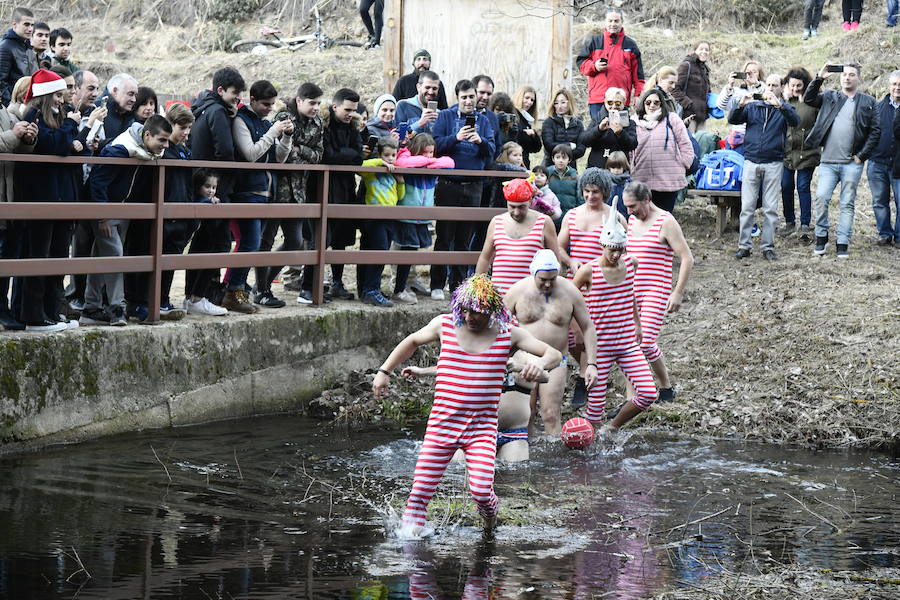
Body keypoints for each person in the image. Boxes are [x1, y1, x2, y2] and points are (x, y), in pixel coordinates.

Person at [371, 274, 562, 538]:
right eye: (466, 310)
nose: (470, 317)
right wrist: (384, 371)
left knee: (482, 492)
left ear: (492, 311)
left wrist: (538, 364)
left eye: (478, 312)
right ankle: (411, 545)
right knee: (420, 491)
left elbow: (554, 354)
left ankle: (490, 521)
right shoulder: (445, 324)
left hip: (481, 429)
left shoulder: (508, 333)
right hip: (442, 426)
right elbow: (412, 341)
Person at [573, 208, 656, 435]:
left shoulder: (631, 263)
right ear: (602, 245)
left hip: (627, 342)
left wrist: (638, 323)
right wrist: (577, 331)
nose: (616, 255)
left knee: (648, 393)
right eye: (612, 250)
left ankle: (612, 428)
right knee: (595, 410)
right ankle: (588, 443)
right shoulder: (589, 270)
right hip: (599, 345)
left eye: (620, 249)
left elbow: (630, 294)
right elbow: (569, 298)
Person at [83, 115, 171, 326]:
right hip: (107, 210)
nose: (166, 146)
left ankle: (91, 307)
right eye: (162, 140)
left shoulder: (141, 148)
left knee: (102, 255)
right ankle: (116, 307)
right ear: (147, 135)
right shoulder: (120, 149)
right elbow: (98, 182)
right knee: (115, 254)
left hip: (120, 209)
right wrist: (102, 216)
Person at [504, 249, 598, 438]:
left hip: (556, 360)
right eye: (543, 279)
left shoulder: (570, 291)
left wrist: (591, 364)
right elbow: (498, 326)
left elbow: (588, 326)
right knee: (526, 413)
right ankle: (525, 450)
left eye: (552, 279)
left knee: (550, 414)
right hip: (524, 359)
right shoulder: (517, 290)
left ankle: (555, 454)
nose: (548, 284)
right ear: (534, 273)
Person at [15, 69, 79, 332]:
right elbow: (54, 144)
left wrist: (77, 142)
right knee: (39, 256)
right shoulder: (33, 116)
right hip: (41, 196)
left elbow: (70, 145)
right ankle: (34, 316)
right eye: (58, 95)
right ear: (46, 95)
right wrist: (72, 128)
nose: (62, 100)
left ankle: (53, 311)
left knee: (59, 257)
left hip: (62, 196)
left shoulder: (59, 117)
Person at [224, 79, 293, 314]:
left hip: (265, 192)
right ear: (252, 100)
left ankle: (236, 289)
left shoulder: (264, 123)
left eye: (272, 104)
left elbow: (278, 159)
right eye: (265, 104)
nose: (269, 109)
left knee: (252, 244)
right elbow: (251, 154)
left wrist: (286, 136)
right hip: (246, 192)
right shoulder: (241, 120)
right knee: (250, 243)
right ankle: (234, 291)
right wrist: (273, 131)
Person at [557, 167, 625, 403]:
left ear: (604, 191)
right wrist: (570, 261)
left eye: (595, 191)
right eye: (586, 191)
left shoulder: (615, 217)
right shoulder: (572, 215)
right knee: (571, 335)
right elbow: (559, 247)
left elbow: (625, 251)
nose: (590, 196)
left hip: (600, 285)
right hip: (574, 281)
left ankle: (584, 379)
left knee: (592, 331)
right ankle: (587, 369)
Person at [623, 181, 694, 403]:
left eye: (633, 206)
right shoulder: (631, 220)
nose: (629, 211)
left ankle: (648, 392)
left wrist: (678, 292)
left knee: (642, 343)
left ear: (647, 199)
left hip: (656, 288)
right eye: (627, 206)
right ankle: (647, 393)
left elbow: (687, 258)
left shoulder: (666, 221)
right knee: (631, 343)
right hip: (632, 289)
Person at [184, 66, 246, 316]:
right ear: (220, 90)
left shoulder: (202, 108)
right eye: (234, 93)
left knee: (203, 241)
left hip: (202, 183)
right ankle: (199, 297)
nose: (238, 98)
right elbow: (225, 152)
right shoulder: (218, 112)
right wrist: (229, 180)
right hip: (216, 187)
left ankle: (193, 296)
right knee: (216, 243)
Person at [804, 62, 880, 258]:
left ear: (859, 78)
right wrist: (819, 78)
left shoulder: (869, 102)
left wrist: (861, 156)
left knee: (847, 203)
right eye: (844, 74)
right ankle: (821, 237)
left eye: (852, 74)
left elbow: (875, 132)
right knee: (821, 198)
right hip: (828, 162)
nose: (847, 77)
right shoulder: (830, 97)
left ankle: (842, 243)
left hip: (851, 164)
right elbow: (808, 99)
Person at [429, 78, 495, 299]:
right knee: (444, 236)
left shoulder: (484, 120)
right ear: (457, 98)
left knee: (464, 239)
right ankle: (437, 284)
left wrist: (480, 141)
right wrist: (456, 138)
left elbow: (492, 151)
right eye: (464, 97)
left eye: (471, 97)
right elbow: (435, 146)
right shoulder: (446, 116)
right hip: (449, 184)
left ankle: (457, 285)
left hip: (474, 185)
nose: (468, 101)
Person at [261, 82, 324, 306]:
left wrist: (299, 150)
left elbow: (318, 155)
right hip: (276, 189)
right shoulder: (284, 117)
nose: (316, 108)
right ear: (299, 100)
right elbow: (281, 155)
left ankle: (264, 283)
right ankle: (261, 289)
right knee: (266, 240)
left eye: (318, 103)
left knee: (295, 241)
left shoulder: (318, 122)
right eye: (312, 103)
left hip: (299, 191)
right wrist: (301, 154)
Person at [730, 74, 799, 261]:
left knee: (770, 208)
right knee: (747, 206)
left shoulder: (784, 108)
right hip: (751, 161)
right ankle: (744, 246)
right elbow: (733, 119)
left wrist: (780, 105)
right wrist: (740, 105)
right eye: (768, 84)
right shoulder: (753, 106)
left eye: (774, 85)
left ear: (781, 88)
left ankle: (768, 247)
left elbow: (795, 121)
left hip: (773, 162)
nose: (770, 87)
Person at [393, 133, 454, 303]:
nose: (428, 156)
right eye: (424, 152)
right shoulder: (408, 159)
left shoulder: (430, 165)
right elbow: (402, 162)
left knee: (413, 251)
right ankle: (399, 289)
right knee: (407, 251)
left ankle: (408, 284)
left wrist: (428, 162)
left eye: (431, 152)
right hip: (408, 215)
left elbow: (449, 162)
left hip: (422, 216)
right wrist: (428, 162)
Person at [475, 178, 561, 295]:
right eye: (512, 206)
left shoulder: (544, 222)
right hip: (500, 296)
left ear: (530, 201)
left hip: (532, 296)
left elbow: (556, 259)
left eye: (521, 207)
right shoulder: (496, 222)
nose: (516, 212)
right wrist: (478, 289)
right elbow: (485, 258)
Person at [319, 87, 364, 300]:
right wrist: (349, 154)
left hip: (346, 188)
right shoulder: (324, 125)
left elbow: (359, 158)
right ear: (335, 106)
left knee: (342, 238)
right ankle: (315, 282)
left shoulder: (353, 127)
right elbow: (327, 155)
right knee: (322, 238)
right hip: (325, 188)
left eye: (354, 110)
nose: (351, 114)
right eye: (347, 110)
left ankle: (337, 282)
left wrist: (344, 155)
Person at [0, 80, 37, 331]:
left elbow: (16, 148)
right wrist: (14, 134)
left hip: (8, 195)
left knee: (6, 259)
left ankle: (3, 309)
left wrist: (28, 138)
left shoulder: (3, 109)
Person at [157, 102, 196, 321]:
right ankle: (156, 300)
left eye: (188, 128)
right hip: (165, 215)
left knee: (171, 261)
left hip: (181, 215)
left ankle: (164, 298)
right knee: (159, 260)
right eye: (182, 128)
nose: (186, 133)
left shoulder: (184, 151)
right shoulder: (163, 151)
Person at [630, 88, 694, 213]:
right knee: (643, 217)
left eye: (656, 102)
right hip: (641, 178)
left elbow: (685, 144)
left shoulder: (672, 119)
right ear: (643, 104)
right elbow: (630, 149)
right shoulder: (634, 122)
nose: (652, 105)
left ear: (661, 104)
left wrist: (684, 163)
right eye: (648, 102)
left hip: (668, 179)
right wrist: (631, 167)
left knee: (663, 218)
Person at [575, 9, 645, 121]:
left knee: (620, 129)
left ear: (622, 22)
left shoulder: (630, 45)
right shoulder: (594, 41)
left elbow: (638, 76)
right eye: (610, 21)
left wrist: (638, 94)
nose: (613, 24)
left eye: (616, 21)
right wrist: (594, 66)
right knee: (598, 129)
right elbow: (581, 63)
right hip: (598, 99)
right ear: (605, 22)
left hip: (621, 100)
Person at [358, 136, 404, 306]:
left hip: (389, 217)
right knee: (378, 251)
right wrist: (380, 162)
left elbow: (400, 197)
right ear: (379, 155)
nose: (390, 159)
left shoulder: (393, 175)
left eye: (393, 155)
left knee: (381, 252)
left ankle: (370, 288)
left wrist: (400, 182)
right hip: (374, 217)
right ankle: (370, 289)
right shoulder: (372, 171)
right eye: (386, 155)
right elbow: (361, 166)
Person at [782, 67, 820, 241]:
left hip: (807, 152)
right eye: (792, 85)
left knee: (803, 186)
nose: (795, 89)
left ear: (805, 85)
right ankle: (789, 222)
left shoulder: (813, 101)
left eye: (799, 85)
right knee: (786, 186)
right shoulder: (784, 101)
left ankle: (805, 223)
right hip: (787, 152)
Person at [867, 70, 900, 246]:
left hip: (899, 165)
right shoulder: (877, 108)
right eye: (894, 84)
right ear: (889, 86)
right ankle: (885, 233)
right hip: (877, 163)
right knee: (879, 201)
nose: (897, 88)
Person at [579, 86, 637, 169]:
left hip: (619, 169)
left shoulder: (629, 122)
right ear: (605, 102)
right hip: (597, 167)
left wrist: (621, 133)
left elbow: (632, 145)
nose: (613, 106)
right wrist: (598, 130)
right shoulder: (597, 119)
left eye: (618, 103)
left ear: (624, 103)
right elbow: (584, 141)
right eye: (610, 102)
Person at [0, 7, 38, 105]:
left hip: (30, 103)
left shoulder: (29, 47)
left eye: (32, 25)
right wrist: (11, 104)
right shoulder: (5, 47)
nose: (30, 29)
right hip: (15, 105)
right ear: (14, 24)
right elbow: (1, 82)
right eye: (26, 24)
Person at [541, 88, 585, 166]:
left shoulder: (578, 124)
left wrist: (566, 157)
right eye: (556, 103)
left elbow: (581, 149)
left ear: (570, 103)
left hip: (571, 168)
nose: (559, 106)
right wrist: (570, 145)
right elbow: (549, 145)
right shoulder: (548, 122)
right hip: (550, 166)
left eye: (563, 102)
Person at [673, 42, 711, 130]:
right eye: (701, 49)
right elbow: (674, 88)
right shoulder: (686, 65)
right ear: (694, 51)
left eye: (707, 50)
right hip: (688, 116)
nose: (704, 52)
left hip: (702, 117)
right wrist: (688, 104)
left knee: (701, 139)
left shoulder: (705, 69)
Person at [395, 70, 441, 135]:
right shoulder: (403, 105)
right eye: (427, 87)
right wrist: (420, 123)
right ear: (418, 87)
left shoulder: (439, 113)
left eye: (434, 89)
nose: (431, 92)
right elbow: (398, 135)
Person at [546, 144, 579, 222]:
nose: (561, 160)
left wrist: (578, 212)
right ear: (553, 159)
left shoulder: (574, 176)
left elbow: (579, 196)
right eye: (558, 157)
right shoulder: (547, 174)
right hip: (551, 215)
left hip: (569, 215)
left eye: (564, 158)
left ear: (569, 160)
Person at [100, 72, 138, 142]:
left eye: (135, 95)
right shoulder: (98, 109)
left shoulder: (129, 114)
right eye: (130, 94)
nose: (134, 100)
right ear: (115, 91)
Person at [511, 85, 542, 169]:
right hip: (512, 163)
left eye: (532, 100)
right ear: (520, 97)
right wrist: (525, 133)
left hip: (524, 163)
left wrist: (533, 135)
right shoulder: (512, 114)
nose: (529, 102)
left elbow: (535, 149)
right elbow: (514, 138)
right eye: (527, 98)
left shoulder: (527, 118)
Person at [607, 151, 632, 217]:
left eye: (619, 167)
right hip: (608, 215)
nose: (616, 170)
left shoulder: (629, 183)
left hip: (625, 215)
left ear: (624, 167)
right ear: (609, 167)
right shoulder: (605, 182)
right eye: (613, 167)